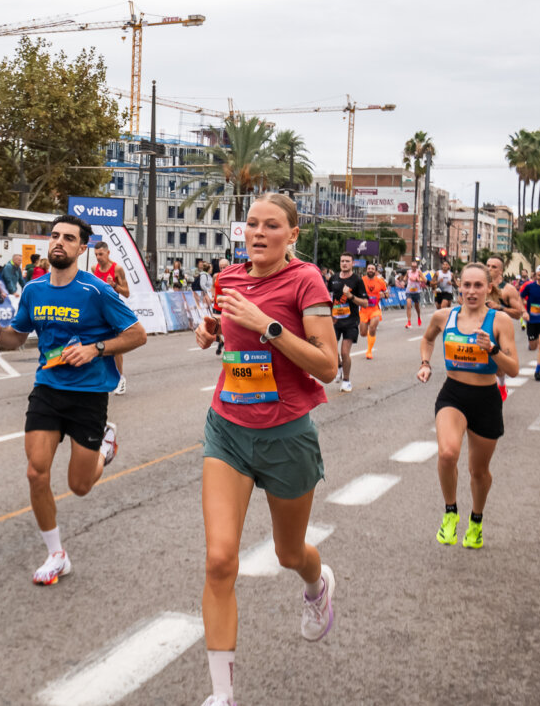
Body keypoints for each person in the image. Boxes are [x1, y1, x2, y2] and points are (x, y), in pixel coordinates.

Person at [192, 194, 338, 706]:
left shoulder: (306, 281)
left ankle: (317, 585)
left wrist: (267, 327)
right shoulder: (228, 278)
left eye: (270, 225)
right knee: (218, 560)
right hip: (227, 427)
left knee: (288, 553)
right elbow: (227, 343)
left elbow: (327, 366)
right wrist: (209, 333)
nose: (257, 233)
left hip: (286, 436)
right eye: (251, 224)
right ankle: (221, 694)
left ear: (291, 234)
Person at [0, 214, 146, 586]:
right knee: (36, 471)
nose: (59, 242)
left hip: (88, 396)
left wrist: (96, 349)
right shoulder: (35, 290)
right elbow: (17, 339)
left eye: (69, 238)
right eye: (55, 236)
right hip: (48, 389)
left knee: (80, 486)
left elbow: (138, 335)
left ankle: (104, 447)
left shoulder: (96, 291)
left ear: (81, 248)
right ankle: (57, 554)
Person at [418, 262, 519, 552]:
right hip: (453, 394)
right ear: (458, 286)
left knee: (479, 471)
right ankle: (450, 513)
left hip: (486, 398)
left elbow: (512, 369)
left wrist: (493, 350)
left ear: (489, 288)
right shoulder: (443, 316)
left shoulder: (500, 321)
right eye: (466, 285)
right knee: (448, 453)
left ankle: (476, 520)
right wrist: (425, 363)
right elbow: (427, 339)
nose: (471, 291)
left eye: (478, 286)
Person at [92, 241, 131, 395]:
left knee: (115, 347)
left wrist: (114, 285)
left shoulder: (117, 269)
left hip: (112, 311)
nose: (98, 257)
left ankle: (120, 378)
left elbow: (126, 292)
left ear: (108, 253)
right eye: (96, 254)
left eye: (100, 254)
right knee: (95, 344)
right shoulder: (94, 268)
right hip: (97, 311)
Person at [483, 256, 524, 400]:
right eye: (487, 265)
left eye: (493, 267)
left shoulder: (508, 289)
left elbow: (518, 313)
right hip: (481, 327)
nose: (489, 269)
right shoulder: (480, 286)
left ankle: (501, 385)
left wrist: (499, 307)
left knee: (499, 366)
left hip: (500, 330)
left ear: (501, 270)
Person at [328, 253, 368, 393]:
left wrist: (351, 296)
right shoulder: (333, 279)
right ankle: (338, 366)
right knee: (331, 349)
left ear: (352, 263)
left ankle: (346, 380)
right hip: (335, 320)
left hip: (351, 321)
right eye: (342, 261)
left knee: (345, 352)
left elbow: (365, 303)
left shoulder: (357, 280)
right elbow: (328, 298)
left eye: (347, 261)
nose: (344, 263)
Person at [359, 263, 388, 360]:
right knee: (363, 333)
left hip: (375, 309)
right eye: (369, 268)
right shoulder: (361, 280)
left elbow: (386, 292)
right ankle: (368, 334)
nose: (370, 270)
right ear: (366, 270)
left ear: (375, 271)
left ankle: (369, 351)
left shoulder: (380, 281)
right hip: (363, 309)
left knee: (372, 327)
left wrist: (385, 295)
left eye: (372, 269)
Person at [404, 259, 424, 327]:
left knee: (417, 307)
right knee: (408, 305)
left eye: (415, 266)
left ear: (417, 267)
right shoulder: (408, 272)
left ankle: (418, 317)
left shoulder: (419, 272)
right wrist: (403, 280)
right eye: (412, 266)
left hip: (416, 291)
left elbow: (425, 280)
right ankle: (409, 322)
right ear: (411, 266)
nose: (413, 268)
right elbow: (405, 278)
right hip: (409, 291)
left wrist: (417, 279)